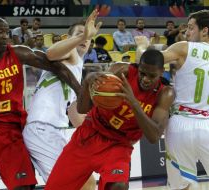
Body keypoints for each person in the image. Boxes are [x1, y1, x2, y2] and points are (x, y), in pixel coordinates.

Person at [0, 17, 81, 190]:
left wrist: (79, 89)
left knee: (23, 185)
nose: (4, 36)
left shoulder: (18, 52)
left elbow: (55, 66)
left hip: (12, 129)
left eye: (7, 32)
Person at [45, 49, 175, 190]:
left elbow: (154, 136)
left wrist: (133, 103)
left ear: (162, 71)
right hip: (90, 134)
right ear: (138, 66)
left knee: (118, 186)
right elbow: (82, 109)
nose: (145, 79)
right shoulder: (122, 71)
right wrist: (88, 81)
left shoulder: (165, 93)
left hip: (119, 145)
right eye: (142, 73)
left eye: (152, 76)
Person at [22, 10, 102, 190]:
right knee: (71, 184)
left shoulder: (78, 67)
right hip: (42, 128)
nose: (85, 38)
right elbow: (50, 53)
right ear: (69, 38)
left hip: (57, 130)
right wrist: (81, 38)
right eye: (80, 34)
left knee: (86, 181)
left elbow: (73, 110)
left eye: (88, 36)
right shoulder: (70, 54)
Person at [136, 10, 209, 190]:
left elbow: (146, 63)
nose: (186, 33)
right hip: (207, 122)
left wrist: (142, 46)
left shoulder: (185, 47)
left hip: (180, 124)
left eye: (191, 28)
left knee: (183, 185)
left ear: (205, 30)